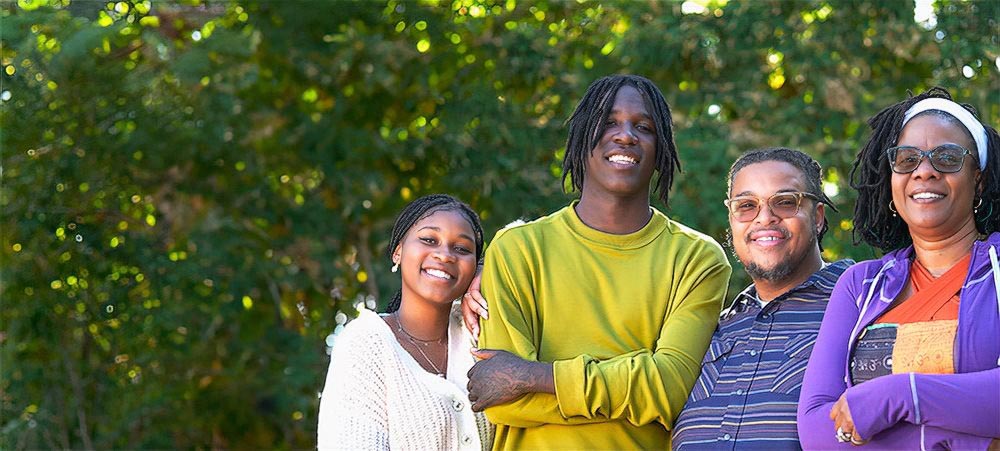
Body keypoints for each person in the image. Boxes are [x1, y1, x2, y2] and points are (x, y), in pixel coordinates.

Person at [463, 74, 732, 449]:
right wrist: (635, 389)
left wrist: (533, 376)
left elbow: (670, 388)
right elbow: (502, 400)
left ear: (661, 151)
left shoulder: (696, 258)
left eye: (644, 127)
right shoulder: (517, 248)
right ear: (580, 138)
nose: (625, 136)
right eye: (608, 123)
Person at [797, 87, 1000, 449]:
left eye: (948, 157)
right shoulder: (859, 286)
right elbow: (816, 430)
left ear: (978, 179)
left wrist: (902, 395)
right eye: (907, 159)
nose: (925, 171)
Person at [671, 148, 854, 450]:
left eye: (785, 202)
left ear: (818, 217)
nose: (764, 219)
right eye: (746, 206)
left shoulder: (860, 304)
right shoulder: (711, 328)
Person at [317, 194, 493, 450]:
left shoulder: (480, 328)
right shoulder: (366, 344)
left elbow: (542, 247)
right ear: (398, 252)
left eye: (462, 249)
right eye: (429, 240)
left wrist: (490, 269)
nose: (445, 255)